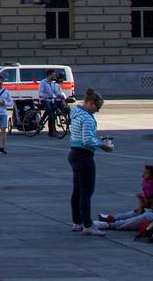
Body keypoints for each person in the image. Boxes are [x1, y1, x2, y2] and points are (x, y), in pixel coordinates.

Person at [68, 88, 112, 235]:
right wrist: (102, 145)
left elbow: (83, 136)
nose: (97, 111)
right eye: (97, 107)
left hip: (74, 152)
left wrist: (97, 140)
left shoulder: (75, 113)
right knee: (87, 192)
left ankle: (77, 222)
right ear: (91, 103)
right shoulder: (87, 118)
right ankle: (88, 225)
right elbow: (87, 140)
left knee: (77, 191)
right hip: (84, 156)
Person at [98, 165, 153, 230]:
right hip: (151, 206)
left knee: (142, 214)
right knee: (136, 212)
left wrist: (143, 204)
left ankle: (113, 223)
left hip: (152, 208)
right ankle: (114, 218)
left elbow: (150, 199)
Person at [39, 70, 65, 136]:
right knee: (50, 111)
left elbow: (55, 92)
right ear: (49, 75)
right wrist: (44, 96)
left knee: (52, 113)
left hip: (51, 100)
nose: (54, 76)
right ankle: (43, 124)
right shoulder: (43, 82)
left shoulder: (53, 83)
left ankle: (50, 129)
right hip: (44, 100)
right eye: (53, 74)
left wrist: (60, 96)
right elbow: (40, 93)